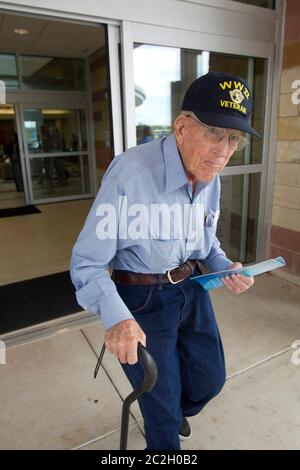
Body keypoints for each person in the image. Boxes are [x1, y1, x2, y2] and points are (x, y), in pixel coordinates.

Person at [70, 72, 259, 450]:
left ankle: (173, 409)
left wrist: (223, 265)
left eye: (234, 139)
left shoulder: (210, 173)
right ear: (182, 128)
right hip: (142, 300)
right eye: (214, 133)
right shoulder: (130, 174)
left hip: (191, 289)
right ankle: (165, 423)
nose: (223, 150)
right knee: (161, 420)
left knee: (210, 380)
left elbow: (206, 241)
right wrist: (118, 318)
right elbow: (87, 263)